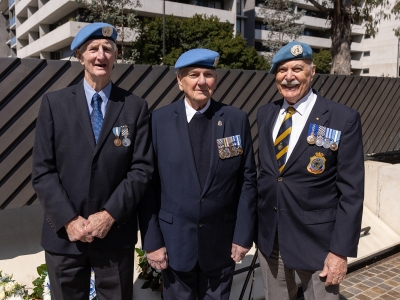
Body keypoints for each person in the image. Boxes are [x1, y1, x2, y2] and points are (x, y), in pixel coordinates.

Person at [31, 22, 153, 300]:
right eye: (93, 49)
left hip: (114, 235)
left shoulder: (134, 106)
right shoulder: (54, 104)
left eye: (108, 49)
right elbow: (42, 171)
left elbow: (141, 169)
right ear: (80, 56)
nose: (101, 55)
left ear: (116, 56)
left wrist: (109, 215)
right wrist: (69, 220)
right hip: (65, 236)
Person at [139, 48, 257, 300]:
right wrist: (152, 242)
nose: (202, 81)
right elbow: (147, 187)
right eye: (193, 74)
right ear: (180, 81)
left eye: (208, 74)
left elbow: (247, 182)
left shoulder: (235, 119)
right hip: (174, 245)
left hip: (221, 245)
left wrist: (243, 236)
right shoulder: (158, 122)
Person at [256, 40, 364, 300]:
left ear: (312, 72)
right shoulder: (266, 114)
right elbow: (269, 175)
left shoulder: (342, 118)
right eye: (282, 70)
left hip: (318, 243)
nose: (289, 77)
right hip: (271, 238)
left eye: (297, 69)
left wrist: (339, 252)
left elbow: (351, 191)